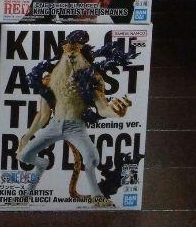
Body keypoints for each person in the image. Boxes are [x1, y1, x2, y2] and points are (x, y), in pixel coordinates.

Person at [17, 30, 136, 206]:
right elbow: (43, 115)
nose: (72, 53)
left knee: (92, 158)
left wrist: (117, 112)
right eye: (69, 49)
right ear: (64, 49)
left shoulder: (92, 77)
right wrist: (26, 136)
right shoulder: (50, 79)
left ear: (81, 51)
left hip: (76, 126)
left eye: (76, 50)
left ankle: (96, 195)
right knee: (25, 155)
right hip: (55, 124)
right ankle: (41, 166)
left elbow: (103, 109)